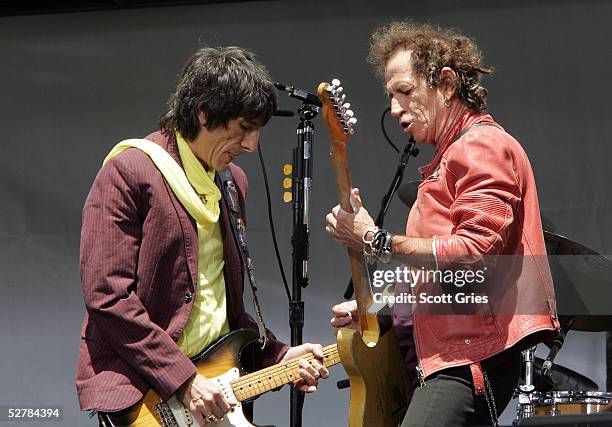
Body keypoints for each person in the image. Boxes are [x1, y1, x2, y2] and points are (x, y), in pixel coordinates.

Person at [77, 46, 328, 426]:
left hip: (208, 387)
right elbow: (108, 297)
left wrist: (277, 356)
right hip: (146, 395)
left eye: (257, 131)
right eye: (244, 127)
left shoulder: (232, 183)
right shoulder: (130, 171)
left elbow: (224, 306)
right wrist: (184, 379)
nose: (252, 145)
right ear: (204, 112)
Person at [327, 22, 559, 426]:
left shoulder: (480, 145)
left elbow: (474, 255)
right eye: (390, 97)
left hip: (469, 358)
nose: (395, 108)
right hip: (453, 356)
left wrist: (373, 238)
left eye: (405, 91)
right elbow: (443, 280)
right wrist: (386, 312)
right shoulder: (454, 154)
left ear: (447, 84)